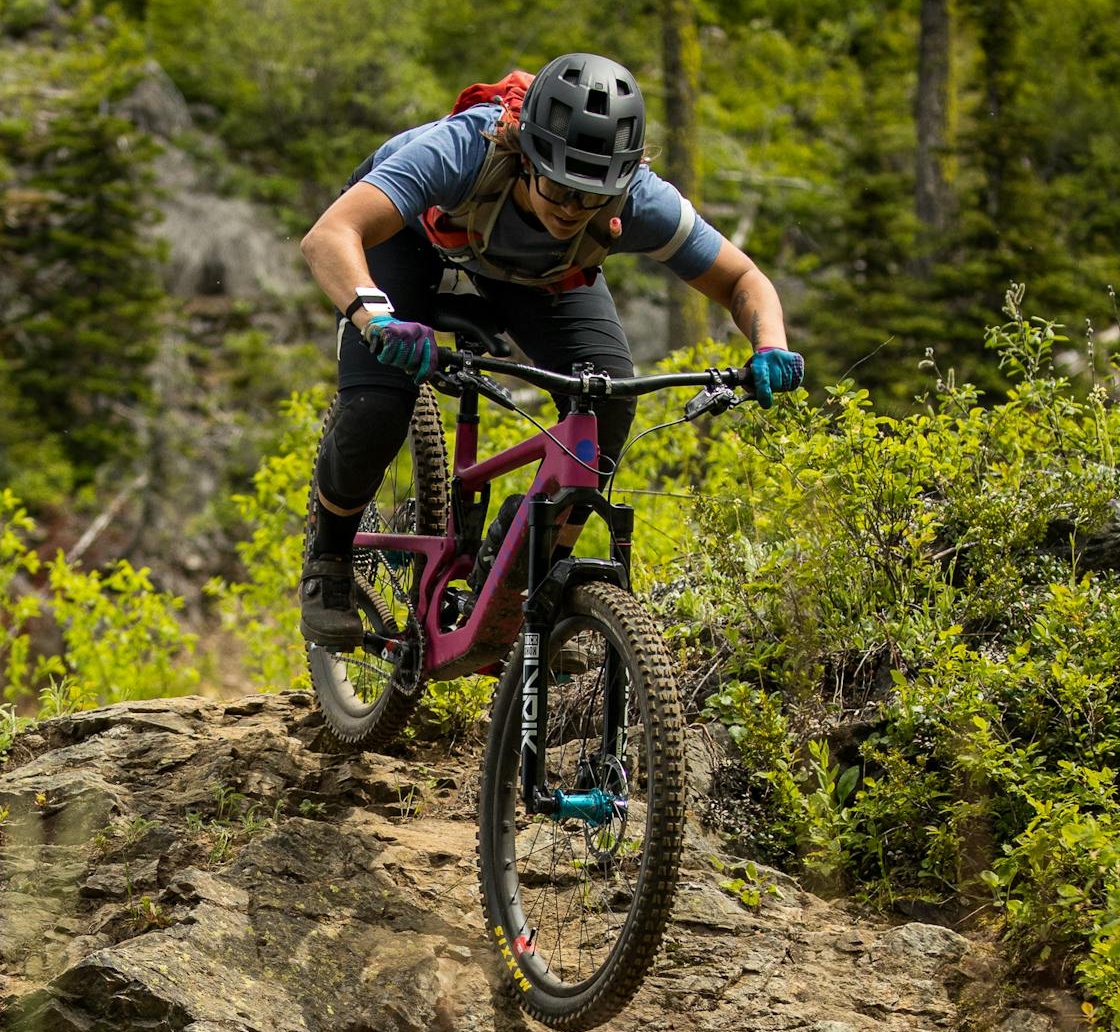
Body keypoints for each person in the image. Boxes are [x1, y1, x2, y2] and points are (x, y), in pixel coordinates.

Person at [299, 52, 803, 647]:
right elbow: (329, 235)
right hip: (402, 239)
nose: (571, 210)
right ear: (527, 154)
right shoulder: (463, 149)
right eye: (558, 188)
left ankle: (524, 578)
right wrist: (376, 319)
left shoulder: (638, 198)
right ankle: (328, 563)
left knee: (608, 396)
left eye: (591, 198)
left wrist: (769, 344)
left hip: (528, 274)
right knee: (379, 405)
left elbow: (744, 280)